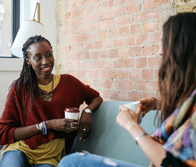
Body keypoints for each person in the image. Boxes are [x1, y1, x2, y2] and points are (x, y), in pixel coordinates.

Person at [57, 12, 196, 167]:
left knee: (73, 162)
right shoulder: (191, 95)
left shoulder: (68, 81)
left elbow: (172, 164)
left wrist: (132, 126)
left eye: (164, 43)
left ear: (183, 47)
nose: (159, 51)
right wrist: (157, 104)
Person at [0, 35, 103, 167]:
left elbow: (96, 98)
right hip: (20, 150)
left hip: (50, 158)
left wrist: (87, 111)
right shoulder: (20, 88)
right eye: (38, 58)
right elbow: (3, 132)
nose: (45, 61)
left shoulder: (69, 83)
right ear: (28, 61)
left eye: (49, 55)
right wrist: (47, 125)